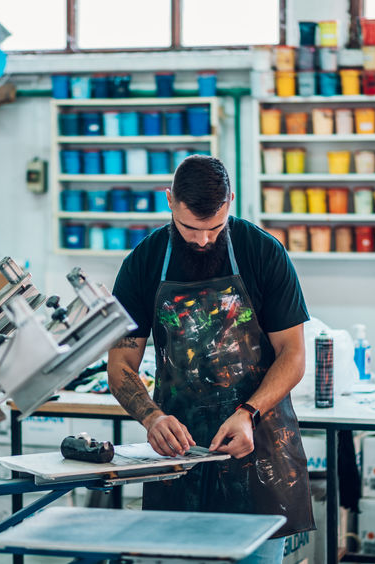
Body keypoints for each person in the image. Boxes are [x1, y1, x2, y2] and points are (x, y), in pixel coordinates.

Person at [107, 155, 314, 563]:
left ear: (231, 201)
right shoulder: (142, 263)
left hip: (257, 451)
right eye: (190, 228)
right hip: (178, 454)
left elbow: (293, 355)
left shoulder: (263, 253)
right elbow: (120, 367)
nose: (203, 239)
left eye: (214, 227)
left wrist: (248, 411)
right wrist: (152, 418)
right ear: (169, 200)